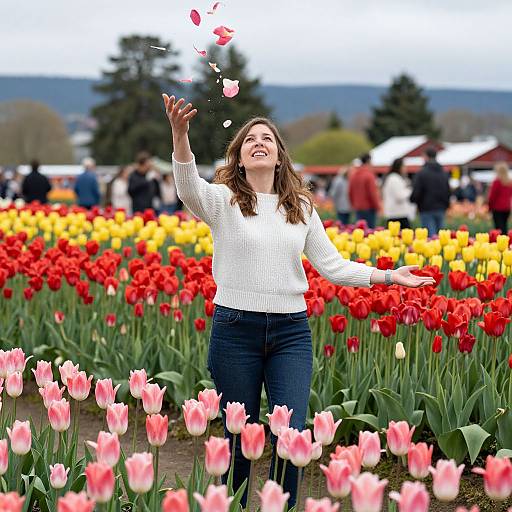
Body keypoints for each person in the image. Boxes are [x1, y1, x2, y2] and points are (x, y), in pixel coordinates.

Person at [162, 93, 436, 507]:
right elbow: (186, 186)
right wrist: (180, 136)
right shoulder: (222, 202)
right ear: (239, 158)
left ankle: (283, 506)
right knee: (239, 435)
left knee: (291, 435)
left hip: (291, 332)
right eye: (250, 139)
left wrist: (387, 276)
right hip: (236, 330)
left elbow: (333, 266)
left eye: (267, 139)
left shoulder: (301, 208)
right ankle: (233, 505)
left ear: (278, 157)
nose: (259, 142)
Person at [410, 147, 451, 236]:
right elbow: (448, 190)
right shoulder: (443, 172)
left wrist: (413, 200)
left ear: (426, 157)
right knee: (441, 238)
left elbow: (416, 191)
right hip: (441, 208)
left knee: (431, 238)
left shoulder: (422, 173)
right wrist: (446, 205)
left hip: (426, 208)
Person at [348, 153, 381, 228]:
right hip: (369, 209)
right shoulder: (369, 175)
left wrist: (354, 205)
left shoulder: (354, 175)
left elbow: (350, 192)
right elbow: (373, 194)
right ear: (369, 161)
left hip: (358, 208)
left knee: (360, 232)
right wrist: (378, 207)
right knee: (370, 233)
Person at [382, 158, 414, 229]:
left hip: (396, 213)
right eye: (404, 166)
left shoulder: (394, 178)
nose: (405, 169)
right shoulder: (394, 178)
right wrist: (410, 191)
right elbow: (399, 196)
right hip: (398, 214)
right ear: (399, 167)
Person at [487, 161, 512, 234]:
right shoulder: (509, 182)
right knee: (504, 226)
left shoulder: (497, 182)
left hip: (497, 208)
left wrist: (489, 208)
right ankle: (506, 241)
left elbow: (492, 197)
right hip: (507, 208)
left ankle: (500, 244)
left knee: (498, 228)